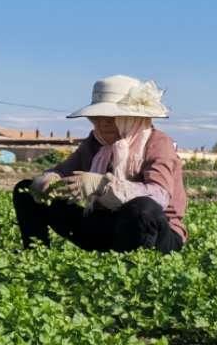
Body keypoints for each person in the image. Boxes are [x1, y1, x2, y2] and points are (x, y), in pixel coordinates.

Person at [14, 75, 187, 252]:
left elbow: (159, 196)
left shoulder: (158, 143)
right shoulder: (95, 142)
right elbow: (64, 170)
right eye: (98, 117)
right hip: (107, 226)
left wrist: (103, 185)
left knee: (142, 209)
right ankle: (35, 254)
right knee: (27, 190)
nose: (103, 123)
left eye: (112, 117)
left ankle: (133, 268)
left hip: (158, 234)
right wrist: (50, 179)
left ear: (132, 118)